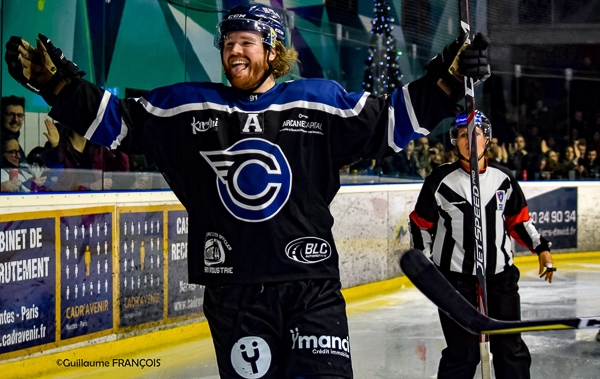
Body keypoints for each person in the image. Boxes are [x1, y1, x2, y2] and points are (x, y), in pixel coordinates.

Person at [5, 4, 490, 377]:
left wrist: (445, 82)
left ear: (274, 49)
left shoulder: (319, 102)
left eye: (246, 42)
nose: (233, 51)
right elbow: (118, 123)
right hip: (234, 296)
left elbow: (390, 120)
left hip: (310, 289)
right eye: (228, 43)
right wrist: (58, 88)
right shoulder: (188, 107)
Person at [409, 110, 554, 379]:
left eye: (475, 133)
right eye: (463, 135)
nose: (468, 139)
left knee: (510, 349)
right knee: (463, 353)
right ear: (456, 141)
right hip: (455, 283)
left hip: (500, 280)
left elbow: (518, 221)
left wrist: (541, 248)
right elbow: (420, 225)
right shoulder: (439, 181)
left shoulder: (504, 179)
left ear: (486, 139)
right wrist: (425, 267)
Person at [41, 119, 132, 190]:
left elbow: (121, 173)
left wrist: (120, 142)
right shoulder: (59, 147)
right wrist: (90, 186)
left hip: (94, 206)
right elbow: (53, 179)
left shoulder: (98, 149)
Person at [1, 95, 27, 164]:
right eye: (11, 114)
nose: (15, 119)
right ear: (2, 115)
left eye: (19, 115)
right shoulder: (6, 140)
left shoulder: (13, 136)